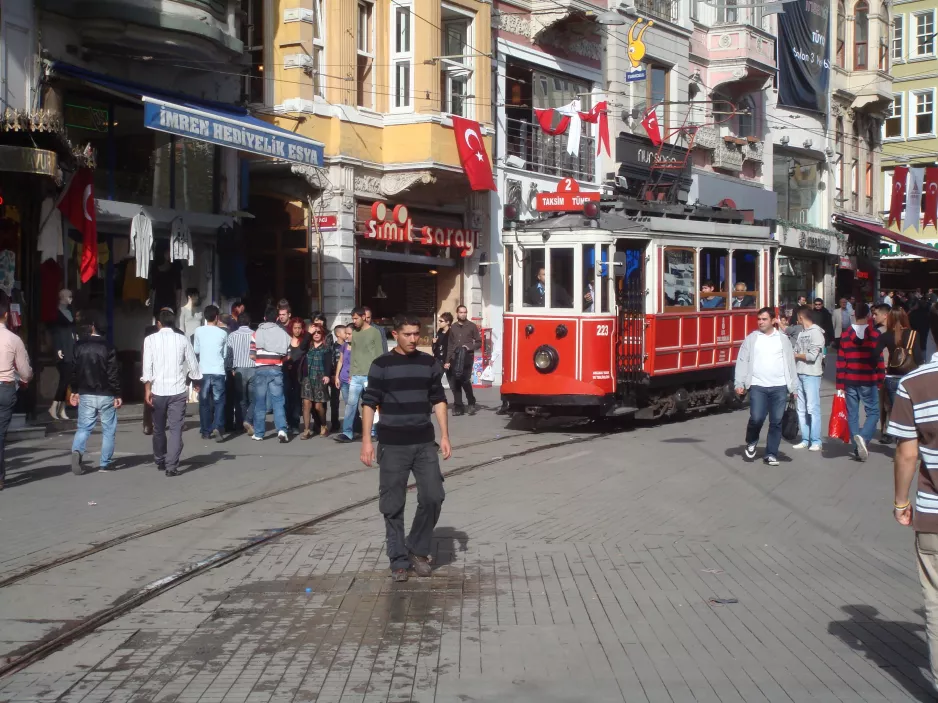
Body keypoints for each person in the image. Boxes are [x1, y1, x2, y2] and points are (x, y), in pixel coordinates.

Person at [360, 312, 451, 582]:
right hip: (392, 443)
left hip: (424, 442)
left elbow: (439, 399)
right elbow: (368, 402)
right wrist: (367, 441)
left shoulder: (429, 363)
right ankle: (398, 559)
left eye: (416, 334)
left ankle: (418, 549)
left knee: (434, 496)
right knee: (393, 504)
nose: (413, 339)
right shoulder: (381, 365)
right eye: (408, 334)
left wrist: (445, 435)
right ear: (395, 335)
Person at [888, 307, 938, 694]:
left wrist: (901, 503)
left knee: (936, 606)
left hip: (933, 517)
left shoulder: (915, 382)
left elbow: (907, 453)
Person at [734, 307, 798, 466]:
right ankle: (751, 441)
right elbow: (742, 361)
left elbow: (790, 364)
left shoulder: (783, 339)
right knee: (757, 418)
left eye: (764, 319)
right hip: (758, 385)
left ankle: (771, 454)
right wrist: (739, 383)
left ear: (773, 320)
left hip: (779, 386)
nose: (760, 322)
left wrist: (794, 388)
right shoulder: (752, 339)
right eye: (759, 319)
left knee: (776, 421)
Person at [143, 308, 202, 477]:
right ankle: (171, 465)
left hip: (158, 390)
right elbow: (193, 364)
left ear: (158, 323)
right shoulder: (182, 340)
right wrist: (196, 381)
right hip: (177, 390)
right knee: (176, 429)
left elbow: (147, 368)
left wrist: (147, 389)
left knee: (159, 428)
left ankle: (160, 458)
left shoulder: (150, 340)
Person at [68, 310, 122, 474]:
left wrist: (74, 390)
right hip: (106, 393)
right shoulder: (109, 347)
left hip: (86, 392)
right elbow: (113, 373)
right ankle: (105, 463)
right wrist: (117, 393)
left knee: (84, 427)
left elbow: (74, 370)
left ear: (92, 327)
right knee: (108, 429)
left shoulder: (79, 346)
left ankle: (77, 451)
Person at [835, 303, 884, 461]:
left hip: (850, 379)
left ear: (854, 313)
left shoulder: (845, 335)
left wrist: (840, 384)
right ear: (869, 315)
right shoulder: (875, 335)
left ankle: (857, 448)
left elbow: (841, 361)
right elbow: (879, 359)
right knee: (874, 412)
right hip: (868, 379)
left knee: (853, 414)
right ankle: (863, 438)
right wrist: (880, 378)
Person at [334, 307, 385, 443]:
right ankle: (347, 433)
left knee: (371, 404)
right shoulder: (355, 333)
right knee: (351, 404)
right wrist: (351, 372)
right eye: (353, 319)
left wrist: (378, 374)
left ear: (363, 317)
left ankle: (374, 431)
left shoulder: (375, 332)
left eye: (356, 318)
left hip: (370, 375)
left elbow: (379, 354)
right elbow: (354, 354)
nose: (354, 321)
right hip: (356, 376)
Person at [874, 307, 920, 445]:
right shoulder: (913, 334)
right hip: (910, 378)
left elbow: (874, 355)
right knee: (911, 410)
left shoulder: (886, 336)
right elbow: (919, 357)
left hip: (892, 378)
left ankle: (894, 435)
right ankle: (909, 440)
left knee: (895, 409)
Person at [0, 302, 31, 490]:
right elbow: (26, 372)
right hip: (5, 388)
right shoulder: (14, 339)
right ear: (5, 315)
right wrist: (26, 378)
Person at [251, 306, 292, 442]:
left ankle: (259, 433)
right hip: (276, 370)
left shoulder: (256, 333)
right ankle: (281, 429)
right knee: (278, 401)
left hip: (261, 370)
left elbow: (252, 355)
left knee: (260, 402)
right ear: (276, 318)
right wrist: (278, 359)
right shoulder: (283, 333)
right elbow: (288, 355)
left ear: (264, 318)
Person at [791, 307, 825, 452]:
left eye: (797, 318)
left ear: (801, 317)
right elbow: (796, 351)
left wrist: (797, 355)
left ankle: (816, 440)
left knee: (812, 408)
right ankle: (805, 439)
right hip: (800, 372)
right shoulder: (802, 334)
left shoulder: (817, 333)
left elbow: (812, 356)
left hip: (812, 374)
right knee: (801, 409)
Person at [193, 305, 228, 442]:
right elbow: (224, 354)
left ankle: (206, 431)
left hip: (203, 371)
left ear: (205, 317)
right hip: (218, 370)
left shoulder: (198, 331)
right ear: (217, 317)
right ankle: (217, 426)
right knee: (219, 401)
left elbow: (196, 350)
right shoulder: (223, 333)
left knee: (204, 402)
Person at [445, 305, 481, 416]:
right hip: (455, 358)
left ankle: (471, 402)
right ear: (457, 313)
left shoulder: (472, 326)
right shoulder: (453, 327)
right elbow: (450, 345)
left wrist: (469, 347)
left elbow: (479, 342)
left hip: (467, 357)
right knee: (456, 381)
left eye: (465, 312)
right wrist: (447, 360)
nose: (463, 314)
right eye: (461, 312)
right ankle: (458, 406)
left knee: (465, 380)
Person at [300, 323, 334, 439]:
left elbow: (329, 363)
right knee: (306, 404)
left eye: (318, 332)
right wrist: (308, 333)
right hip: (308, 378)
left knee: (318, 406)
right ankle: (306, 430)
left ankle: (323, 426)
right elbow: (301, 347)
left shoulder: (326, 348)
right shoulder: (308, 346)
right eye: (314, 332)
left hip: (320, 378)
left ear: (322, 334)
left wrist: (328, 375)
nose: (316, 334)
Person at [226, 312, 255, 435]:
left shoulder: (232, 335)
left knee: (240, 399)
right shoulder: (255, 334)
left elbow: (229, 354)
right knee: (254, 398)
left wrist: (231, 368)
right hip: (253, 368)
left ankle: (240, 423)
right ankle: (249, 420)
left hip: (239, 370)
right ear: (249, 322)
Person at [50, 289, 75, 421]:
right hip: (63, 348)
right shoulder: (56, 313)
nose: (71, 298)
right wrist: (58, 348)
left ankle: (61, 409)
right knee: (64, 380)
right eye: (69, 296)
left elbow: (71, 328)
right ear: (62, 297)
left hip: (70, 346)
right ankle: (54, 406)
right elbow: (55, 332)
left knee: (67, 380)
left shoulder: (70, 311)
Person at [283, 317, 309, 434]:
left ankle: (295, 424)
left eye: (299, 328)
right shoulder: (286, 341)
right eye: (295, 328)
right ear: (291, 328)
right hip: (287, 374)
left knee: (297, 400)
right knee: (287, 400)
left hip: (299, 375)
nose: (297, 330)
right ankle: (288, 422)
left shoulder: (303, 342)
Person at [334, 323, 355, 433]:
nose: (347, 336)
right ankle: (351, 429)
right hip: (344, 380)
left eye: (349, 333)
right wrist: (337, 376)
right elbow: (341, 361)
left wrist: (353, 375)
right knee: (348, 406)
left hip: (354, 380)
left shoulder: (359, 346)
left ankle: (349, 430)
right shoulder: (344, 346)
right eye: (346, 333)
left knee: (351, 406)